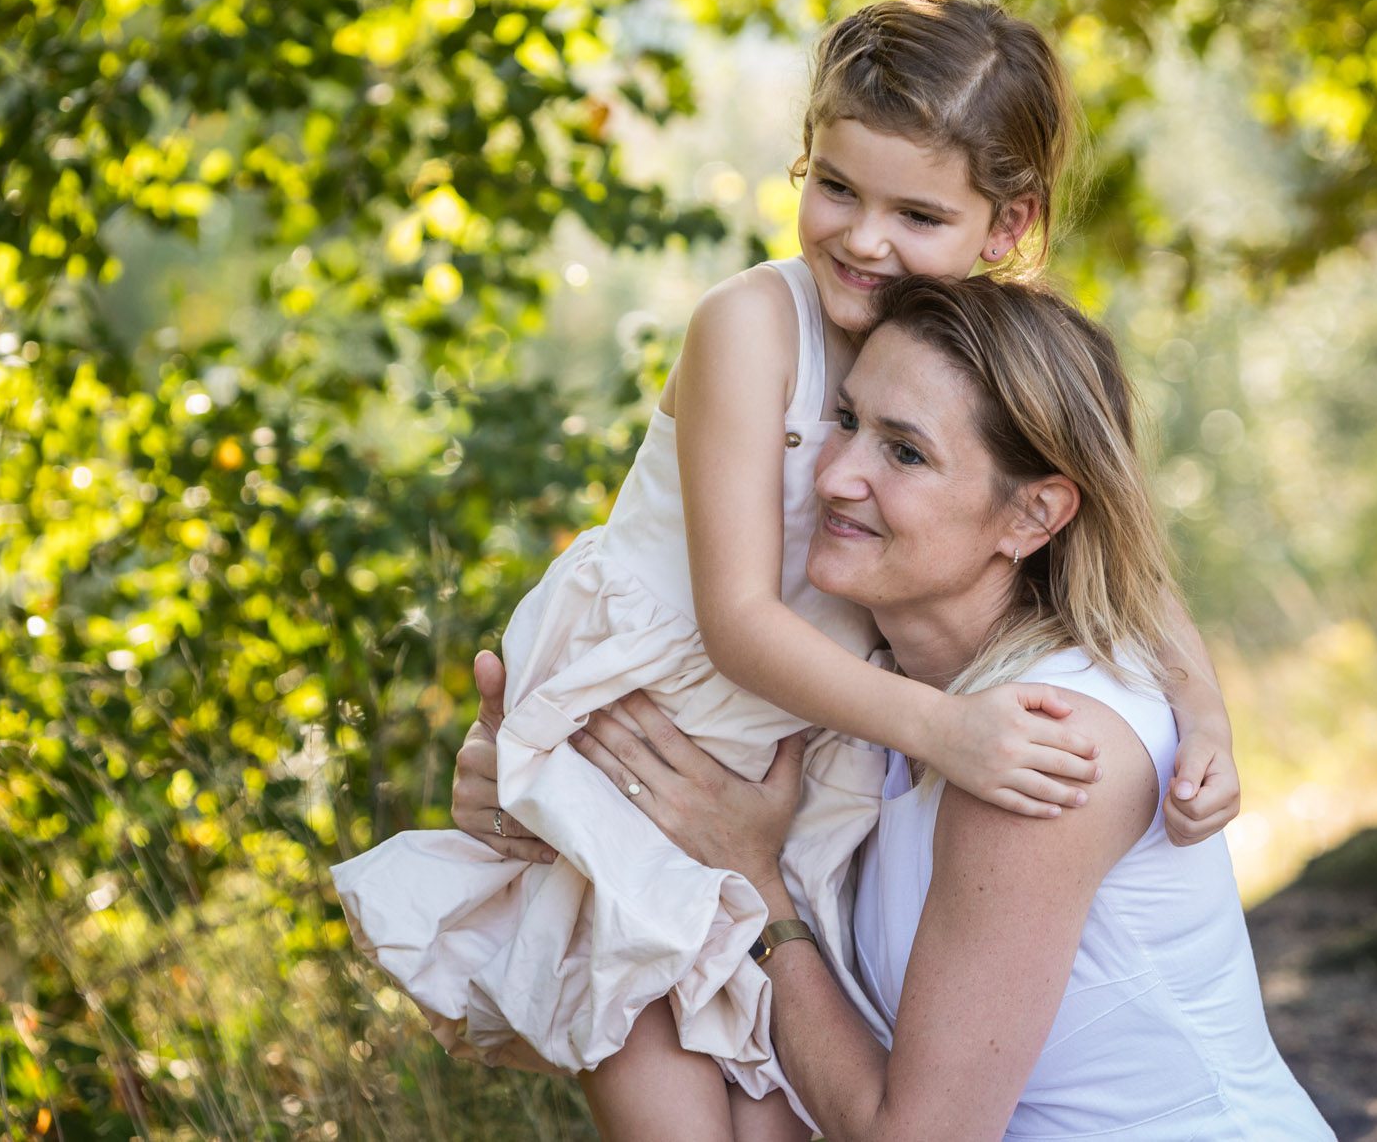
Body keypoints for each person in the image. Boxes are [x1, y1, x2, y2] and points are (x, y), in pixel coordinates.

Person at [334, 0, 1243, 1139]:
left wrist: (1201, 711)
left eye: (916, 212)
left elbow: (1119, 549)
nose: (863, 241)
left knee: (784, 1092)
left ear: (1004, 226)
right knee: (655, 1028)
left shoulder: (984, 354)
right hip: (679, 718)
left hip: (797, 750)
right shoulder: (753, 324)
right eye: (835, 188)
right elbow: (735, 622)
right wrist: (942, 731)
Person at [566, 275, 1333, 1139]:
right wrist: (537, 799)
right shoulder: (887, 709)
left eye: (905, 452)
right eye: (846, 422)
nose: (834, 474)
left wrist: (755, 883)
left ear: (1032, 514)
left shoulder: (1046, 748)